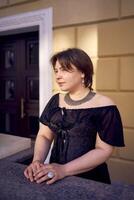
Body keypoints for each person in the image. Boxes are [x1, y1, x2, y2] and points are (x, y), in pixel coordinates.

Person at [24, 48, 125, 185]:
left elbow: (103, 150)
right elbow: (45, 135)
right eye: (56, 70)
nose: (58, 76)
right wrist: (37, 161)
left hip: (90, 181)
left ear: (83, 72)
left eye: (64, 69)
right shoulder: (55, 100)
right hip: (53, 176)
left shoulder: (105, 106)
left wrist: (64, 170)